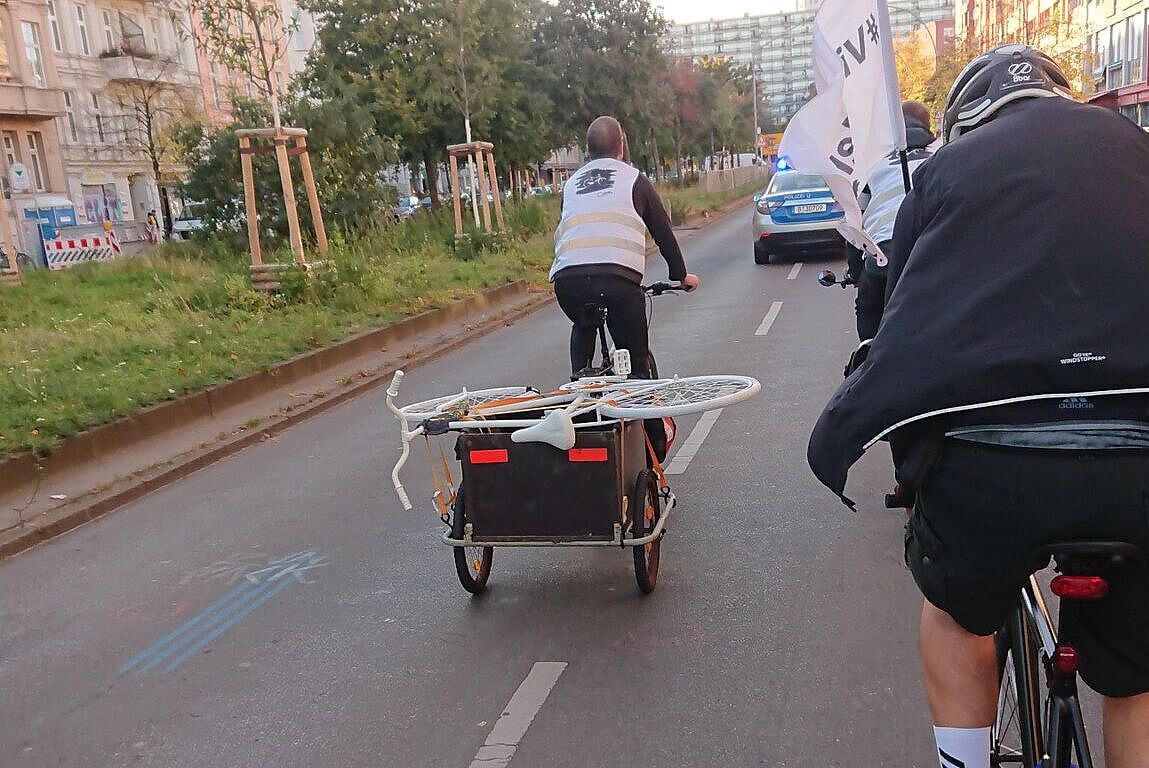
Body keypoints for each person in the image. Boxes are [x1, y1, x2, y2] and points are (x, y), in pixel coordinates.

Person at [807, 45, 1149, 768]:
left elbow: (902, 330)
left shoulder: (940, 174)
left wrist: (907, 470)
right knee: (1141, 681)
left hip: (993, 469)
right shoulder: (1135, 147)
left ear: (965, 120)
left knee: (958, 618)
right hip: (1138, 455)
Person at [550, 115, 700, 461]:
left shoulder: (570, 184)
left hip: (568, 282)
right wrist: (681, 276)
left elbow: (569, 233)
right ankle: (653, 450)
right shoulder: (635, 179)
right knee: (636, 365)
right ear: (621, 147)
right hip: (618, 282)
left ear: (588, 152)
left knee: (584, 325)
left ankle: (579, 391)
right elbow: (663, 232)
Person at [846, 100, 936, 342]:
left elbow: (856, 222)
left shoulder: (872, 163)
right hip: (935, 251)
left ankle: (867, 358)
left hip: (884, 255)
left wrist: (856, 272)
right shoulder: (944, 152)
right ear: (929, 127)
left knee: (868, 306)